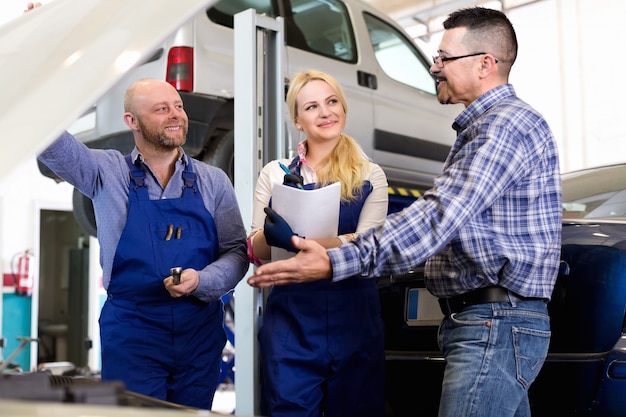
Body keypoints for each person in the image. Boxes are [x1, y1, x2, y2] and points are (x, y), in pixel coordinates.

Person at [248, 8, 562, 417]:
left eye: (444, 58)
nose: (435, 68)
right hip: (486, 322)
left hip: (494, 322)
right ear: (296, 119)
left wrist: (331, 259)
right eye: (438, 58)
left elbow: (437, 218)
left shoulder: (502, 127)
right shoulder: (485, 129)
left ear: (485, 63)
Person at [37, 78, 249, 410]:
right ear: (131, 121)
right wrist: (33, 87)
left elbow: (236, 252)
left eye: (178, 106)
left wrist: (203, 281)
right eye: (161, 109)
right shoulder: (105, 172)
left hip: (199, 333)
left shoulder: (213, 181)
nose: (175, 115)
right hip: (133, 334)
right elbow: (50, 142)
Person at [247, 69, 389, 417]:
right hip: (292, 321)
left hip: (355, 317)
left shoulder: (371, 174)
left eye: (332, 101)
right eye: (311, 106)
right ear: (297, 120)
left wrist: (298, 240)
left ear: (343, 107)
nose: (325, 112)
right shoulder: (276, 172)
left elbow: (370, 246)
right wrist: (269, 235)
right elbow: (253, 248)